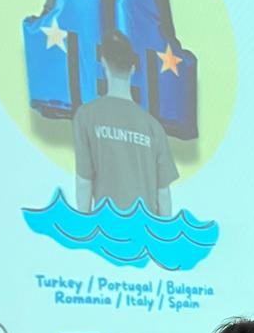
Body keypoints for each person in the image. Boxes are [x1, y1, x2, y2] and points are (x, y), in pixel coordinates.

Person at [73, 29, 178, 215]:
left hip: (106, 225)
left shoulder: (86, 116)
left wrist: (85, 226)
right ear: (133, 68)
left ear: (103, 62)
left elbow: (84, 183)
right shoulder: (153, 126)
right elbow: (163, 194)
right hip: (144, 228)